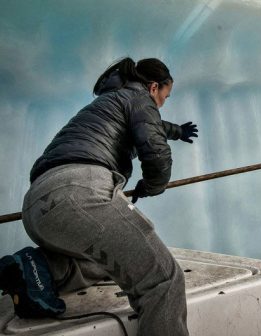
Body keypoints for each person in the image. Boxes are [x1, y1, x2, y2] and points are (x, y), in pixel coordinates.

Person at [0, 57, 196, 336]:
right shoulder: (139, 100)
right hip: (80, 191)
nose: (162, 103)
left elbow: (155, 124)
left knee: (109, 260)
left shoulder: (110, 102)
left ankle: (39, 268)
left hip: (38, 205)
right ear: (153, 87)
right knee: (163, 280)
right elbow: (156, 150)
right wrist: (150, 186)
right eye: (165, 96)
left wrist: (177, 131)